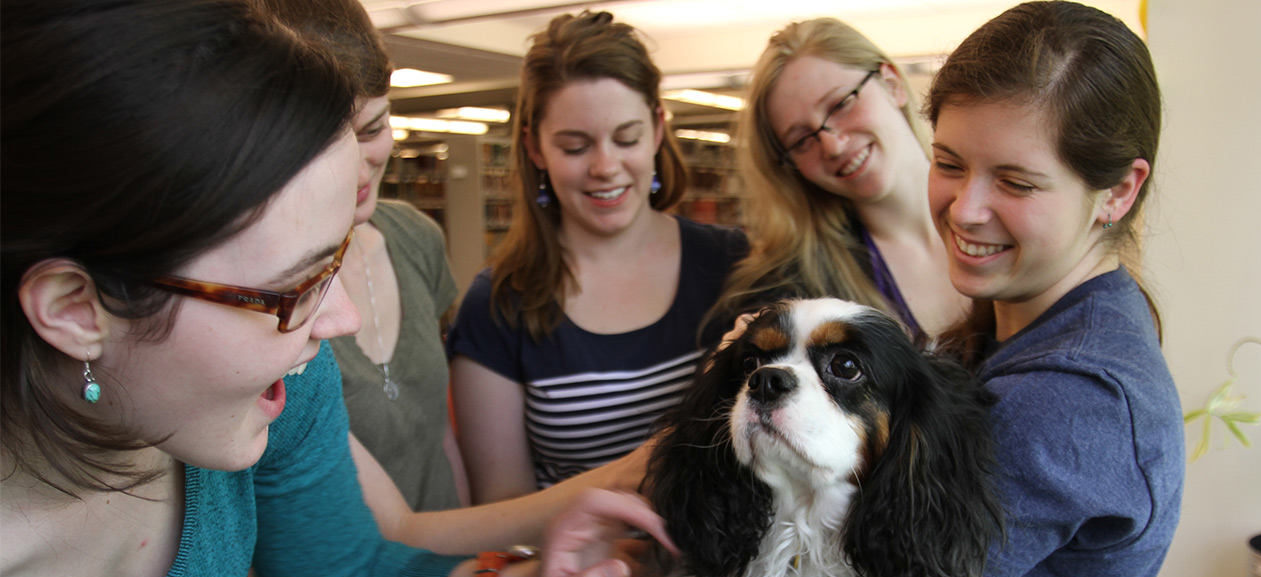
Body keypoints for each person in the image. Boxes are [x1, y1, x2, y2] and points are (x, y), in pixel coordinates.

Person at [0, 1, 673, 577]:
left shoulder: (277, 389)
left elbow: (352, 570)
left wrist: (530, 573)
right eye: (291, 288)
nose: (342, 318)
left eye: (335, 266)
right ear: (74, 309)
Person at [925, 2, 1184, 577]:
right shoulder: (1064, 318)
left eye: (1016, 182)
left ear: (1118, 192)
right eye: (948, 163)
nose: (965, 210)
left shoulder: (1065, 400)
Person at [447, 10, 749, 504]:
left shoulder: (731, 264)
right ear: (535, 148)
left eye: (626, 138)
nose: (605, 167)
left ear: (656, 129)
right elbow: (504, 514)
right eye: (574, 146)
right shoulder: (496, 306)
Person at [262, 0, 465, 513]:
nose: (356, 168)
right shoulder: (258, 284)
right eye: (321, 142)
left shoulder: (416, 238)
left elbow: (440, 432)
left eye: (372, 130)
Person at [706, 17, 968, 341]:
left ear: (892, 84)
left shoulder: (1004, 208)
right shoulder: (796, 288)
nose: (832, 145)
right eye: (802, 140)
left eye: (842, 104)